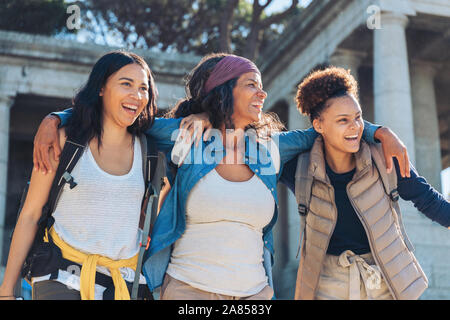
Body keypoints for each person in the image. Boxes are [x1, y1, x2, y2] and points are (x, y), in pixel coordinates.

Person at [31, 53, 409, 300]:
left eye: (261, 84)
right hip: (186, 291)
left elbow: (333, 125)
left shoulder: (273, 145)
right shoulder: (186, 133)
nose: (262, 93)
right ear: (224, 90)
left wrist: (380, 132)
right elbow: (124, 118)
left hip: (255, 294)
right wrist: (57, 119)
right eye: (251, 84)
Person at [0, 50, 204, 300]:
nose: (137, 95)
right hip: (61, 274)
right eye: (126, 84)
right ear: (101, 88)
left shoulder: (150, 151)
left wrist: (205, 116)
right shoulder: (64, 141)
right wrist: (6, 291)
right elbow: (30, 215)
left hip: (124, 282)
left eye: (143, 88)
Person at [280, 66, 450, 300]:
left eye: (359, 118)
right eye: (342, 120)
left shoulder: (384, 158)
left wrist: (377, 133)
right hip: (326, 286)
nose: (355, 127)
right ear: (318, 125)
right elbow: (260, 146)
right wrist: (377, 131)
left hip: (385, 282)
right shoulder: (299, 168)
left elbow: (429, 200)